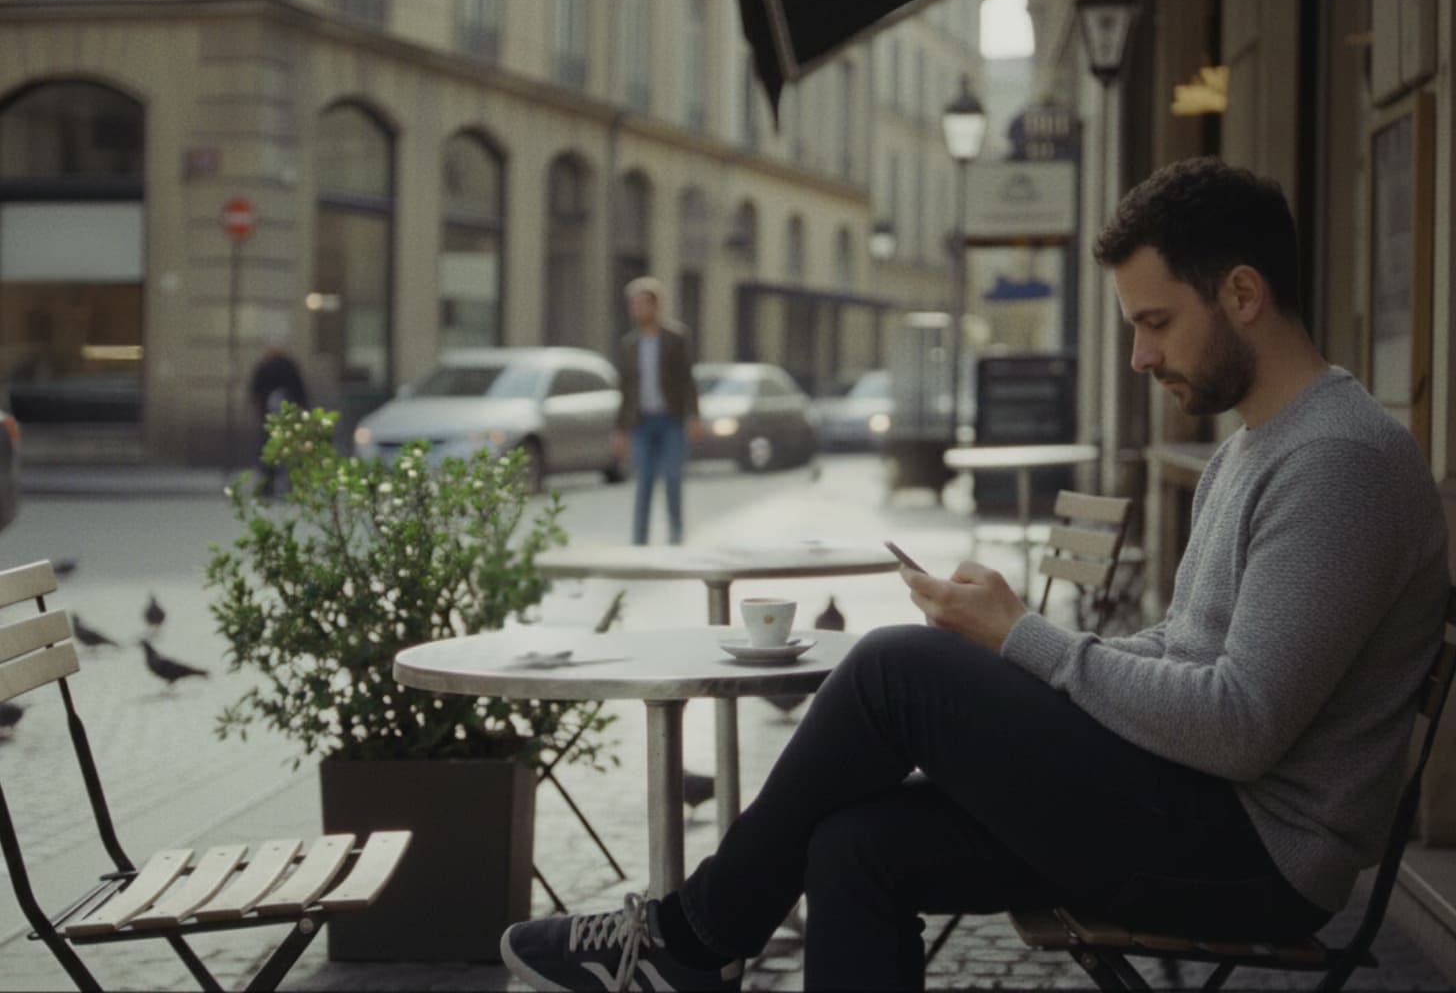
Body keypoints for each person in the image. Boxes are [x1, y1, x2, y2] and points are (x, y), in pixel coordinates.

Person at [500, 158, 1451, 991]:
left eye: (1156, 321)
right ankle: (693, 943)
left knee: (895, 668)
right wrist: (1029, 660)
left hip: (1254, 852)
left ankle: (690, 938)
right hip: (1190, 805)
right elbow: (1187, 651)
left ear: (1243, 294)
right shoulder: (1256, 447)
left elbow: (1242, 726)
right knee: (853, 845)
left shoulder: (1338, 462)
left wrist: (1023, 640)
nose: (1139, 355)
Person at [613, 276, 702, 545]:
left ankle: (676, 534)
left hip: (670, 420)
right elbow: (625, 388)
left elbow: (687, 379)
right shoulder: (629, 344)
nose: (636, 309)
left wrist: (694, 415)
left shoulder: (675, 338)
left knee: (673, 477)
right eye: (632, 304)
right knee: (644, 481)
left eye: (641, 303)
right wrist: (620, 430)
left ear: (655, 306)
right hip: (641, 422)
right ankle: (639, 540)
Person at [248, 340, 308, 496]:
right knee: (288, 453)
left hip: (270, 420)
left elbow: (255, 392)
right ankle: (290, 486)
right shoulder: (288, 367)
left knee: (270, 453)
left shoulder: (266, 367)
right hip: (286, 419)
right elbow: (299, 392)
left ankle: (269, 486)